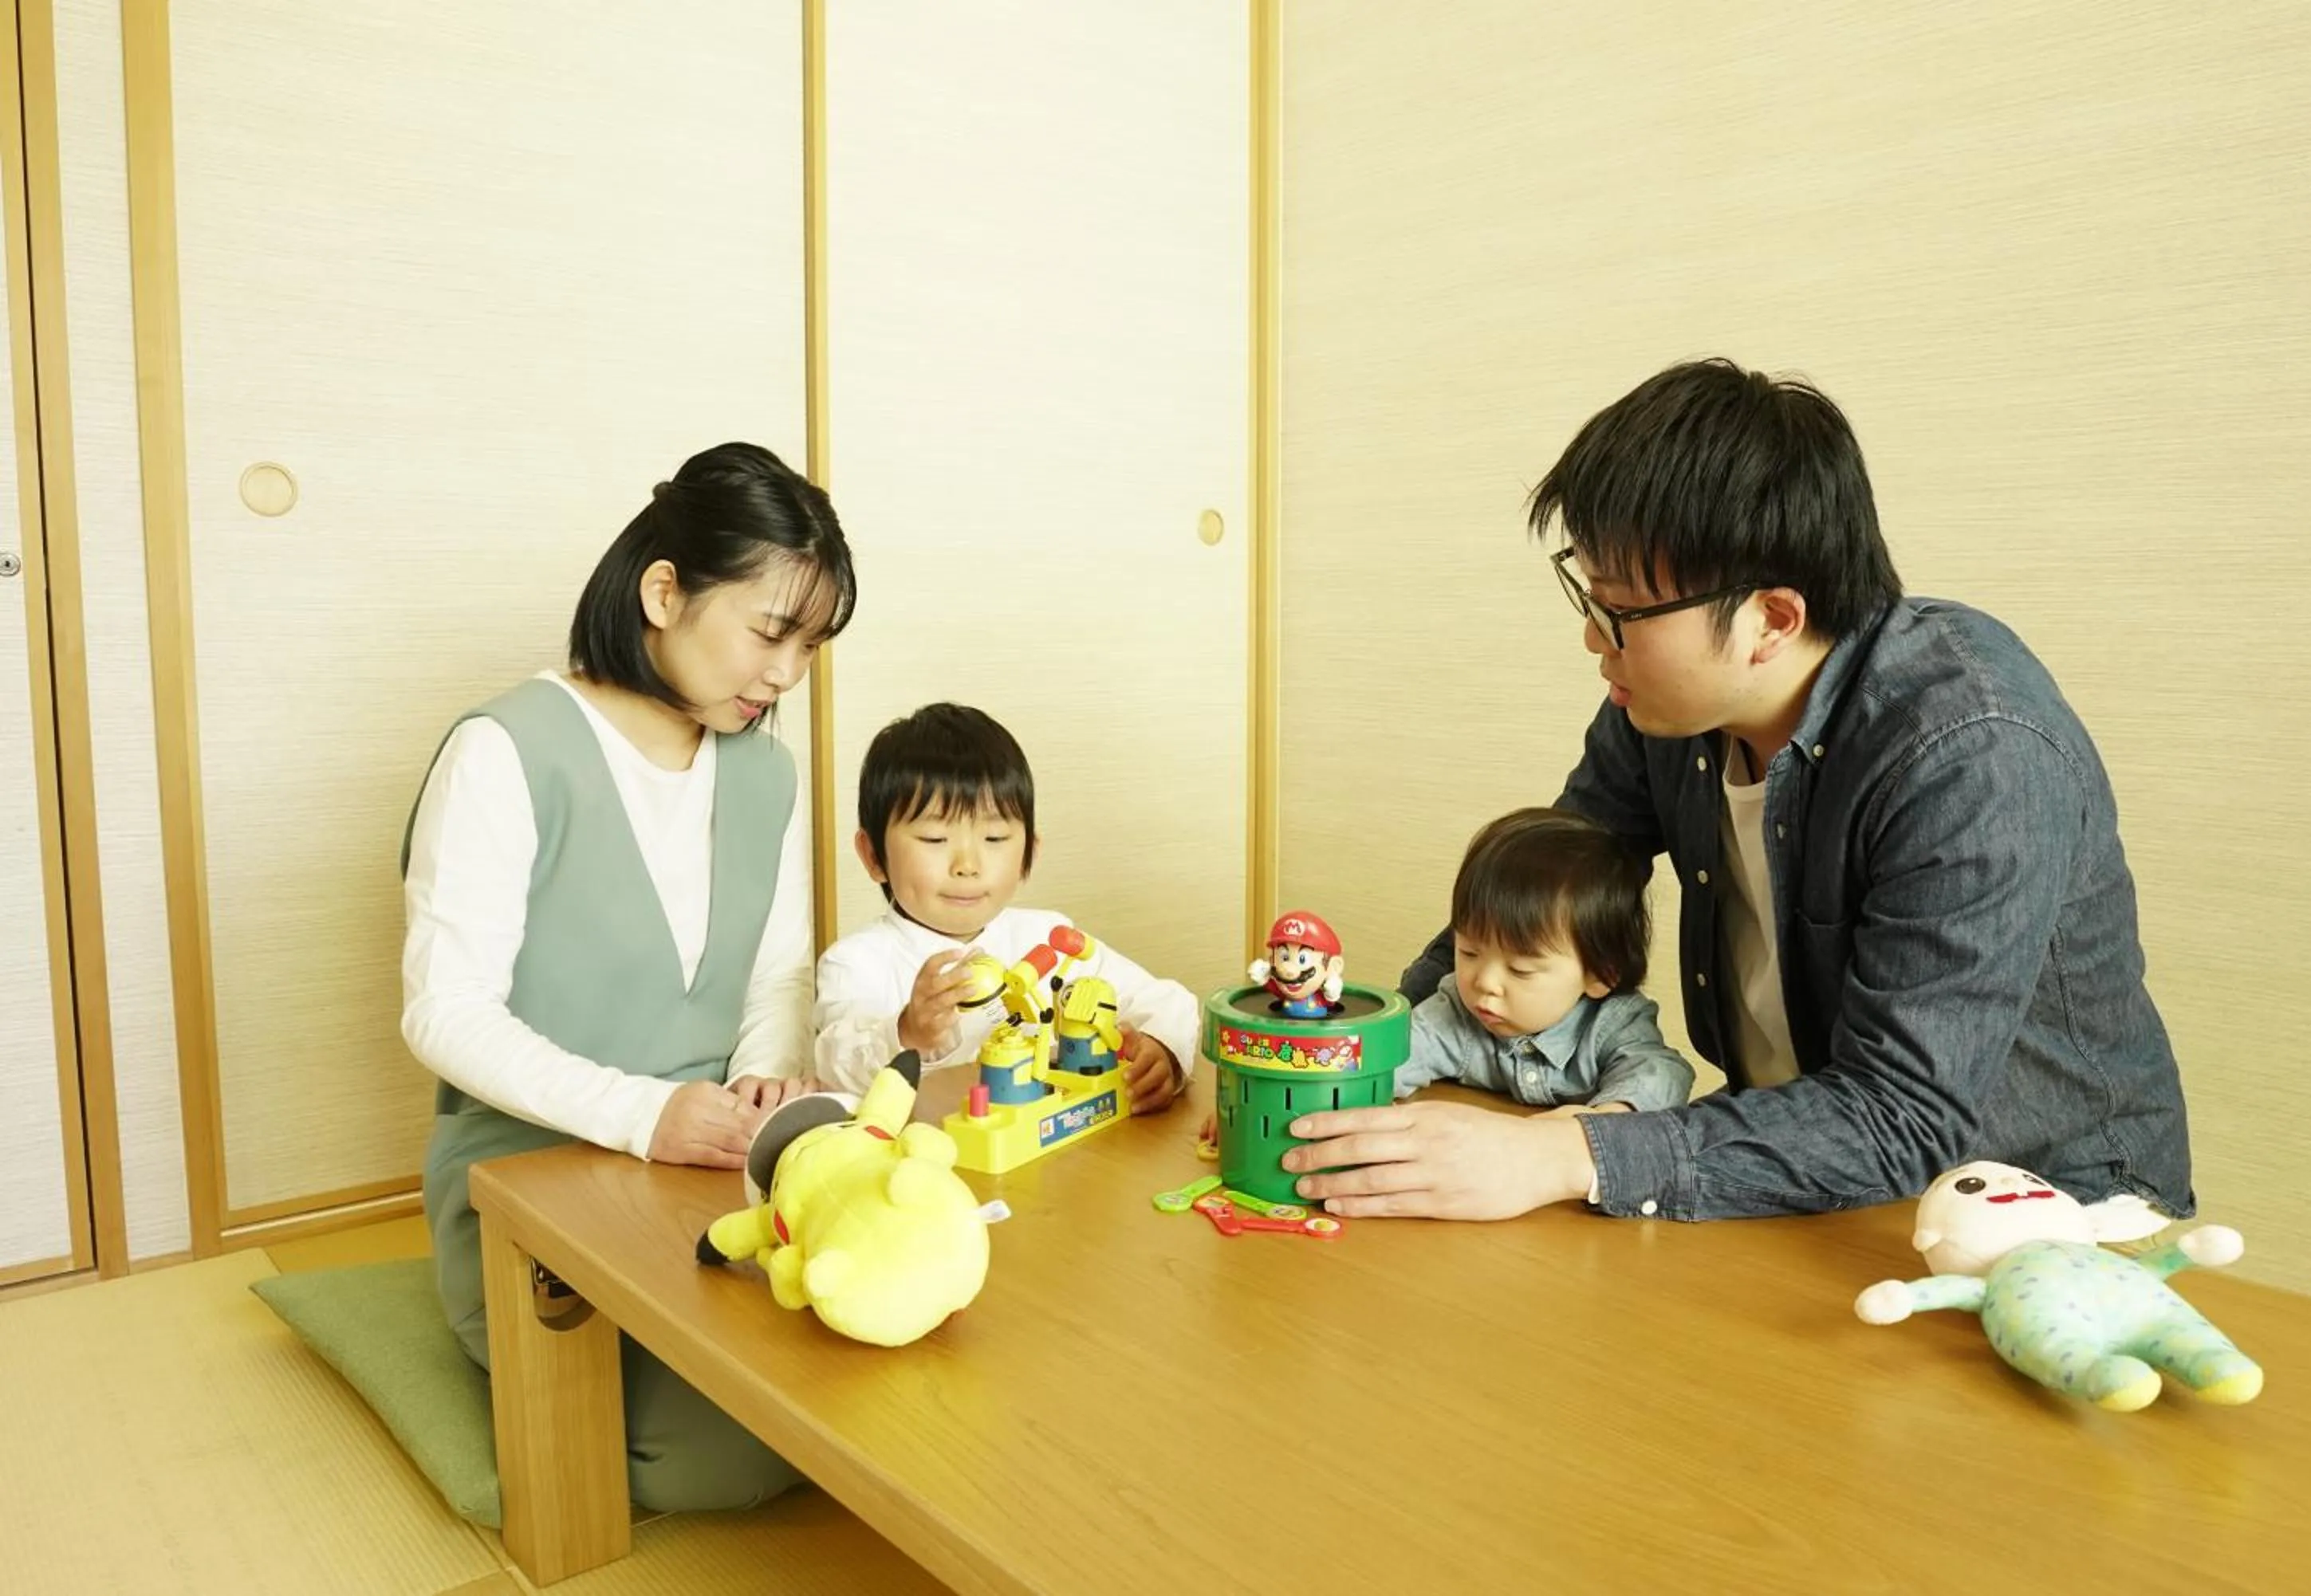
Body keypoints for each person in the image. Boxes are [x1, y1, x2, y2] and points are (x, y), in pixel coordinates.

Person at [1283, 358, 2194, 1225]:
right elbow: (1533, 898)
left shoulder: (1969, 751)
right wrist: (1340, 1072)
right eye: (1588, 596)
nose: (1596, 639)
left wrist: (1562, 1155)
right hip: (1804, 1176)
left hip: (2052, 1214)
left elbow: (1901, 1117)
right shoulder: (1663, 716)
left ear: (1772, 618)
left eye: (1622, 612)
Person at [401, 441, 852, 1509]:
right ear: (664, 591)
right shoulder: (507, 750)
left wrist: (762, 1082)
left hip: (717, 1156)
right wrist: (647, 1115)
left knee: (878, 1331)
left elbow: (778, 969)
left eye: (811, 647)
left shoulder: (768, 769)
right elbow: (444, 1008)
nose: (785, 674)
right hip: (532, 1168)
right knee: (712, 1454)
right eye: (769, 631)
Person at [811, 702, 1198, 1109]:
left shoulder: (1052, 939)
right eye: (934, 840)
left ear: (1029, 853)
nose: (967, 866)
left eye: (994, 839)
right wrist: (907, 1033)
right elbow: (835, 1064)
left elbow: (1163, 1000)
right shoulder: (855, 962)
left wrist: (1163, 1052)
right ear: (873, 856)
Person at [1396, 807, 1694, 1115]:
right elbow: (1393, 1056)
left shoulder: (1612, 1025)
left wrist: (1605, 1120)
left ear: (1601, 974)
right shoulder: (1456, 1011)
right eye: (1469, 952)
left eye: (1520, 970)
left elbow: (1663, 1074)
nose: (1484, 981)